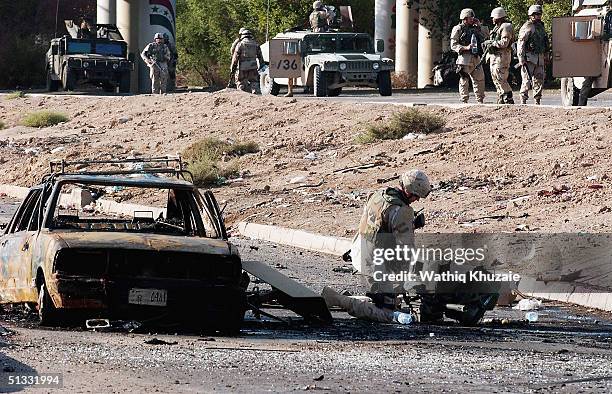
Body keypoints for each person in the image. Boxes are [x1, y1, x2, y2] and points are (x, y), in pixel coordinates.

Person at [321, 170, 432, 324]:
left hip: (360, 251)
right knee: (387, 313)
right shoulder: (403, 211)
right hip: (374, 264)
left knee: (386, 297)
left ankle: (364, 297)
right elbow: (406, 249)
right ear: (408, 191)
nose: (417, 199)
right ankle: (336, 299)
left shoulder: (379, 194)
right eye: (416, 196)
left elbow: (379, 224)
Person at [450, 8, 486, 104]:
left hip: (476, 57)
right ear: (464, 18)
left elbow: (486, 37)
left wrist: (479, 26)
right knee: (464, 79)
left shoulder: (476, 28)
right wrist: (466, 47)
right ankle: (464, 100)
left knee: (480, 79)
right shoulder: (458, 28)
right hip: (464, 58)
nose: (472, 19)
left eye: (473, 17)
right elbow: (453, 45)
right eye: (470, 17)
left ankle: (480, 100)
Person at [517, 5, 549, 105]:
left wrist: (546, 56)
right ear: (531, 15)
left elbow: (545, 42)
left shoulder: (541, 26)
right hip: (529, 58)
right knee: (526, 81)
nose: (539, 16)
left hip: (540, 57)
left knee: (539, 80)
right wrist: (521, 58)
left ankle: (537, 101)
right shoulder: (527, 26)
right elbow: (521, 43)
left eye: (539, 14)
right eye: (536, 14)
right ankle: (523, 101)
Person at [484, 7, 515, 104]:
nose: (492, 19)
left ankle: (508, 96)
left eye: (493, 17)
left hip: (502, 56)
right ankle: (501, 96)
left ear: (498, 17)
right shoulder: (497, 27)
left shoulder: (506, 26)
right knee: (495, 77)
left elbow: (505, 43)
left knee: (501, 77)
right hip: (495, 57)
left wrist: (492, 43)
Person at [231, 29, 265, 94]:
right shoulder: (256, 44)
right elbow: (260, 57)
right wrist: (261, 66)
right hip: (253, 67)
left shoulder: (240, 44)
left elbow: (235, 58)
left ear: (243, 36)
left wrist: (233, 68)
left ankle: (243, 96)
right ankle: (256, 95)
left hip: (242, 67)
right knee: (254, 82)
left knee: (241, 82)